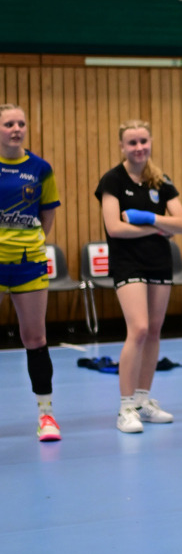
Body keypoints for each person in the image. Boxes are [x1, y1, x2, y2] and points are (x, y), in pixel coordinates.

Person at [95, 119, 182, 434]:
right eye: (132, 143)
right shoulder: (112, 180)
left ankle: (143, 400)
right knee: (138, 329)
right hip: (127, 263)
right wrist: (159, 227)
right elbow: (115, 228)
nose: (139, 148)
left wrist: (147, 217)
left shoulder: (160, 181)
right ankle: (125, 407)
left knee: (154, 332)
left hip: (159, 263)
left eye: (143, 141)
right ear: (122, 146)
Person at [0, 104, 62, 441]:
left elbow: (47, 215)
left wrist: (31, 241)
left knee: (35, 338)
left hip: (29, 264)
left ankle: (46, 415)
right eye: (9, 123)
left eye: (21, 123)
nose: (16, 128)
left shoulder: (40, 169)